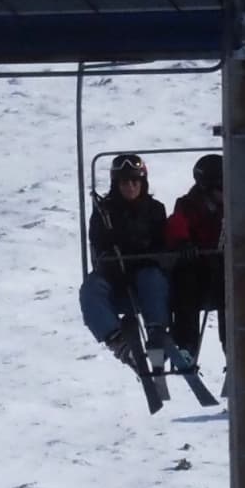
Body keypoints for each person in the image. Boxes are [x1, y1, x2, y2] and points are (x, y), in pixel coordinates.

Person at [79, 154, 185, 380]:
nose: (130, 186)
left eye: (135, 181)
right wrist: (111, 260)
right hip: (116, 278)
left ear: (143, 182)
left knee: (152, 277)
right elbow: (98, 243)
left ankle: (157, 333)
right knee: (91, 287)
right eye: (124, 182)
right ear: (116, 184)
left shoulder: (155, 209)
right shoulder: (103, 212)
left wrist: (151, 255)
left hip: (146, 276)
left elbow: (161, 243)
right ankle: (118, 341)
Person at [166, 153, 226, 367]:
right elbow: (176, 224)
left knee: (231, 291)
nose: (225, 194)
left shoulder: (233, 208)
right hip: (196, 268)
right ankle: (186, 346)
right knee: (185, 288)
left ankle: (234, 348)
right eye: (221, 189)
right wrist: (183, 243)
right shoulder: (188, 206)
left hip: (222, 268)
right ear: (206, 189)